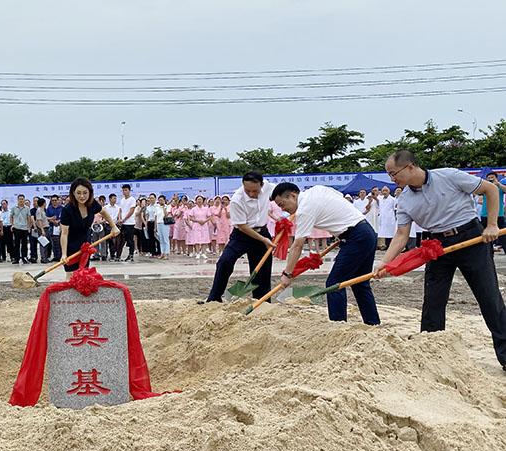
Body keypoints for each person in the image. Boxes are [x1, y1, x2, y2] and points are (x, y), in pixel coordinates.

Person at [377, 150, 506, 372]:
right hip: (436, 245)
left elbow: (490, 189)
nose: (392, 179)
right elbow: (401, 235)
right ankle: (430, 354)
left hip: (471, 238)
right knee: (433, 301)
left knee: (489, 297)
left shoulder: (449, 176)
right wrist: (385, 264)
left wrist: (491, 225)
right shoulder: (404, 200)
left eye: (393, 173)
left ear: (409, 167)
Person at [274, 184, 380, 325]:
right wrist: (339, 232)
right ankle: (373, 323)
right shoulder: (317, 189)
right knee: (360, 284)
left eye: (282, 204)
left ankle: (338, 325)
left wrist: (287, 274)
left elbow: (297, 245)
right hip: (366, 232)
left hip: (357, 237)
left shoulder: (305, 209)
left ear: (293, 195)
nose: (283, 209)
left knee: (334, 284)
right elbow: (337, 201)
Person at [206, 172, 276, 302]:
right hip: (242, 235)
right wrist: (264, 240)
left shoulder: (268, 187)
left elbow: (282, 193)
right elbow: (242, 226)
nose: (251, 194)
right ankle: (214, 298)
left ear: (261, 185)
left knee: (262, 270)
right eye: (247, 190)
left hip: (262, 231)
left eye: (255, 191)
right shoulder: (237, 199)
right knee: (224, 262)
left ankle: (261, 301)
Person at [59, 178, 119, 278]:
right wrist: (64, 254)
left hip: (85, 245)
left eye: (85, 193)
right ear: (73, 193)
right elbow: (64, 233)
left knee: (83, 274)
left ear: (90, 193)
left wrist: (114, 226)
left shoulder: (92, 204)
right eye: (78, 193)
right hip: (70, 246)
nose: (82, 196)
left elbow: (103, 212)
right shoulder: (67, 210)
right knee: (71, 275)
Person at [479, 170, 506, 254]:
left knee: (503, 236)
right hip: (485, 215)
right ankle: (489, 254)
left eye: (492, 178)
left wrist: (497, 184)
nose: (490, 179)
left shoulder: (500, 187)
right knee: (486, 237)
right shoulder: (485, 188)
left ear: (496, 179)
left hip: (499, 215)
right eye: (489, 178)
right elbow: (478, 197)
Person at [186, 195, 213, 259]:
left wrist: (204, 221)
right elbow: (190, 217)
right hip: (196, 225)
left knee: (204, 239)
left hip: (204, 225)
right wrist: (197, 221)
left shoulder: (206, 209)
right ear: (196, 201)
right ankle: (197, 253)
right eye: (198, 199)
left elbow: (209, 217)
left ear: (203, 201)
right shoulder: (193, 209)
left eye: (200, 199)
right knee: (196, 239)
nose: (199, 201)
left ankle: (203, 253)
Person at [116, 184, 137, 261]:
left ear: (129, 190)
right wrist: (120, 218)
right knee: (121, 240)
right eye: (123, 190)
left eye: (126, 190)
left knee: (130, 240)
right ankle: (118, 256)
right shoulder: (122, 200)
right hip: (123, 223)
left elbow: (131, 211)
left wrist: (124, 219)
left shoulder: (132, 200)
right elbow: (120, 210)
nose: (124, 192)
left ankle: (131, 256)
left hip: (130, 223)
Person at [10, 194, 32, 264]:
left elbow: (29, 218)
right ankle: (16, 258)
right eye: (20, 199)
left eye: (22, 199)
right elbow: (11, 216)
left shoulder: (27, 208)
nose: (21, 200)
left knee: (24, 244)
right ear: (18, 200)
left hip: (24, 228)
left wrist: (28, 227)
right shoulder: (14, 208)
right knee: (16, 244)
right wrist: (12, 225)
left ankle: (24, 257)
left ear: (24, 200)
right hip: (16, 228)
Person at [45, 195, 63, 261]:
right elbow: (46, 217)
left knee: (60, 242)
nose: (54, 202)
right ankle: (56, 256)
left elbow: (64, 217)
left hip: (60, 227)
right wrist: (52, 221)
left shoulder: (62, 208)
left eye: (55, 200)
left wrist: (58, 221)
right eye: (53, 200)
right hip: (52, 227)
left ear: (58, 200)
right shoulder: (49, 208)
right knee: (53, 242)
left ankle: (61, 256)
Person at [103, 193, 121, 260]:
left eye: (116, 198)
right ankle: (105, 255)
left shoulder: (118, 208)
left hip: (114, 225)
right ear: (110, 199)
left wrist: (119, 220)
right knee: (106, 241)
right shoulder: (105, 207)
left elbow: (119, 216)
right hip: (107, 225)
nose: (115, 200)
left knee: (113, 242)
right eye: (114, 198)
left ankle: (112, 255)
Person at [155, 194, 170, 259]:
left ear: (164, 200)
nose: (160, 201)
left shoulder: (168, 207)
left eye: (162, 200)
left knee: (165, 239)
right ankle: (162, 253)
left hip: (165, 224)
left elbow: (166, 215)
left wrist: (164, 208)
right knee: (161, 239)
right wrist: (155, 226)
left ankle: (166, 253)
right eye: (159, 200)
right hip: (158, 223)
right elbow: (156, 217)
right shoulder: (157, 207)